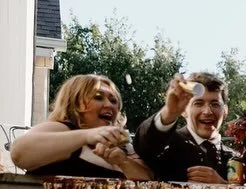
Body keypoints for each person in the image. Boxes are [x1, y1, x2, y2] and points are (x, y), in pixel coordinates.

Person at [11, 74, 153, 180]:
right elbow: (19, 153)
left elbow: (149, 181)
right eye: (98, 97)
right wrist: (86, 136)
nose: (109, 105)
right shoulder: (61, 128)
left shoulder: (124, 146)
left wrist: (123, 161)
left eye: (113, 100)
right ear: (75, 102)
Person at [134, 73, 237, 184]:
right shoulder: (169, 144)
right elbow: (144, 146)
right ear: (184, 110)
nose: (207, 111)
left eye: (215, 104)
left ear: (225, 110)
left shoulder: (235, 158)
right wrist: (168, 113)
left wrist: (223, 186)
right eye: (198, 103)